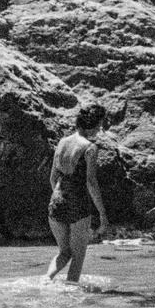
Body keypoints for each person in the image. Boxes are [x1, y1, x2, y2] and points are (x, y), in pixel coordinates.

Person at [46, 103, 109, 283]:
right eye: (100, 124)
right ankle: (72, 294)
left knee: (64, 253)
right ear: (94, 124)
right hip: (78, 204)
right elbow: (90, 182)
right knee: (78, 257)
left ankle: (46, 280)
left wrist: (60, 199)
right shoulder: (90, 148)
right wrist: (102, 214)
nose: (100, 128)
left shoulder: (62, 143)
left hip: (56, 202)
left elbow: (52, 178)